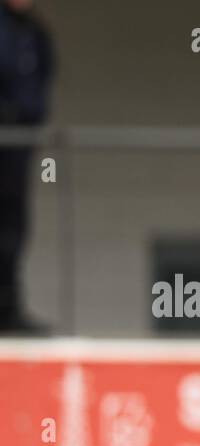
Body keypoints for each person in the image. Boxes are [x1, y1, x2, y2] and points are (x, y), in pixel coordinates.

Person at [0, 0, 53, 336]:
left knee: (13, 228)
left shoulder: (35, 31)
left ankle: (7, 310)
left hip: (19, 142)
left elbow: (44, 78)